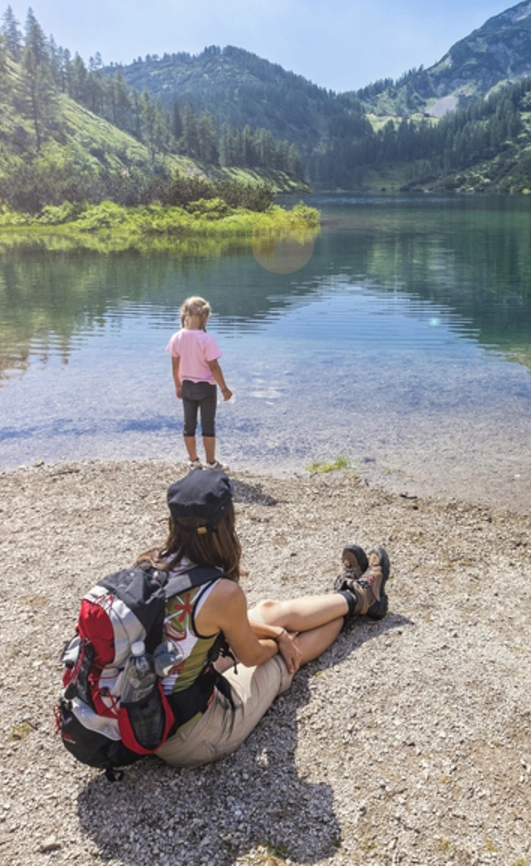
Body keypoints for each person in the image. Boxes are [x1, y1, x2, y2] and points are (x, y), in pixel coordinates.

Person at [146, 468, 391, 767]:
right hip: (188, 736)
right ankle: (354, 600)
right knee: (282, 659)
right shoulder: (221, 593)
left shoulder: (152, 562)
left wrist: (275, 631)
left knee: (270, 610)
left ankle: (355, 597)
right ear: (226, 523)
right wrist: (281, 641)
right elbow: (251, 656)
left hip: (153, 699)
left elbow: (206, 624)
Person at [167, 296, 233, 469]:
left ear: (185, 315)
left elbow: (175, 365)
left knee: (189, 424)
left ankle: (194, 461)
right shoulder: (206, 339)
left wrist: (177, 385)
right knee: (208, 424)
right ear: (205, 316)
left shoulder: (177, 337)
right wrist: (224, 388)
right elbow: (214, 367)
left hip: (187, 386)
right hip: (206, 388)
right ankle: (211, 462)